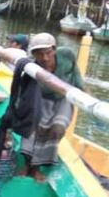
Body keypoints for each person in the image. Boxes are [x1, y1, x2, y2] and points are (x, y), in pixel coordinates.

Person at [20, 33, 83, 181]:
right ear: (34, 55)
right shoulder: (32, 68)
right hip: (42, 98)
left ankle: (37, 167)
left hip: (64, 98)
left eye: (48, 53)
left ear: (54, 49)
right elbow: (22, 93)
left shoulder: (67, 56)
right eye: (39, 54)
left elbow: (77, 77)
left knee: (58, 128)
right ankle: (28, 164)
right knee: (35, 127)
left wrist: (87, 98)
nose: (45, 58)